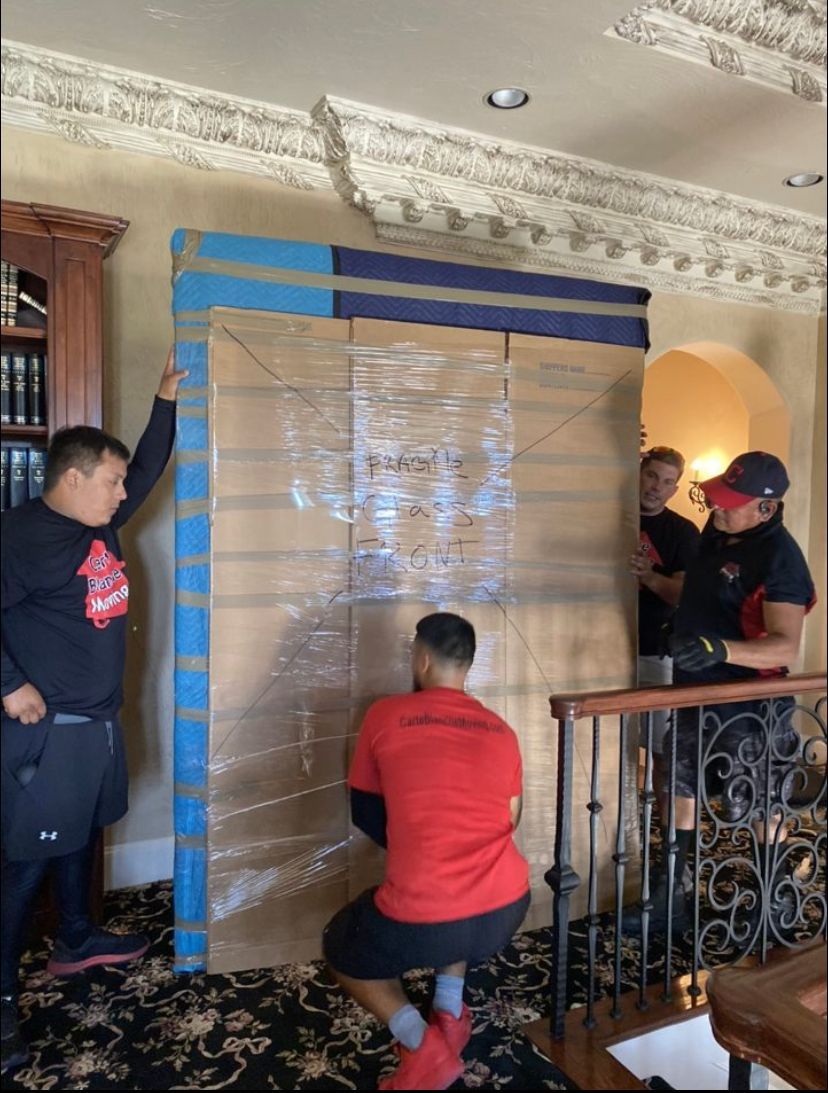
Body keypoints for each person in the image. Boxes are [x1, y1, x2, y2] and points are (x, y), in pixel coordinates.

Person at [1, 349, 188, 1075]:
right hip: (44, 734)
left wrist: (164, 396)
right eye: (107, 482)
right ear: (73, 478)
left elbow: (146, 467)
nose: (121, 494)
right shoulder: (19, 536)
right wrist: (9, 683)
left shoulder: (96, 523)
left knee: (79, 834)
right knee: (24, 866)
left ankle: (75, 937)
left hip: (96, 724)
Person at [322, 613, 530, 1091]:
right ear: (469, 666)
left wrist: (420, 844)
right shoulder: (502, 730)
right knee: (458, 899)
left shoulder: (384, 714)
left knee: (340, 945)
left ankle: (422, 1045)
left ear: (419, 659)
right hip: (508, 907)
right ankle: (450, 1010)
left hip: (428, 912)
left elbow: (364, 812)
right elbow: (510, 819)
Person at [626, 451, 815, 933]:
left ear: (767, 508)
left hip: (750, 705)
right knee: (680, 787)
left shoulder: (781, 558)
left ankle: (772, 900)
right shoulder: (715, 535)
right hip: (695, 693)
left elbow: (784, 644)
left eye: (732, 503)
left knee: (754, 803)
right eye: (719, 499)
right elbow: (690, 596)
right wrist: (659, 591)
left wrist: (717, 648)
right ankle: (673, 896)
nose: (719, 509)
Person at [629, 446, 700, 813]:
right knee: (608, 751)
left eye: (667, 482)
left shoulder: (683, 531)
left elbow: (685, 594)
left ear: (676, 489)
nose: (657, 487)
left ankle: (669, 856)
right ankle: (616, 840)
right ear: (639, 472)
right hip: (602, 651)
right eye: (652, 475)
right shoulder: (609, 515)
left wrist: (649, 576)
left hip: (657, 652)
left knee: (663, 755)